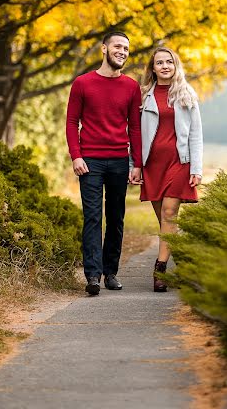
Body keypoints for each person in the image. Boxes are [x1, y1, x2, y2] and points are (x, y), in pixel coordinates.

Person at [66, 32, 142, 296]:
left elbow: (135, 127)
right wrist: (76, 155)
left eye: (126, 48)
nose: (122, 51)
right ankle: (92, 276)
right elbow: (71, 122)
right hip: (90, 162)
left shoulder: (132, 87)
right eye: (117, 46)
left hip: (120, 161)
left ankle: (110, 272)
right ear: (104, 49)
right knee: (93, 217)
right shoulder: (82, 83)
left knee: (116, 217)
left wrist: (137, 163)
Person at [140, 47, 203, 292]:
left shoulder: (187, 95)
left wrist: (196, 168)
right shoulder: (145, 96)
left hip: (180, 161)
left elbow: (196, 134)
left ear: (175, 66)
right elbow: (135, 133)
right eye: (159, 63)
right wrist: (136, 164)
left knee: (169, 213)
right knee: (165, 221)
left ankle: (160, 270)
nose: (165, 66)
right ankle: (185, 261)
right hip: (153, 164)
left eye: (169, 62)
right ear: (153, 68)